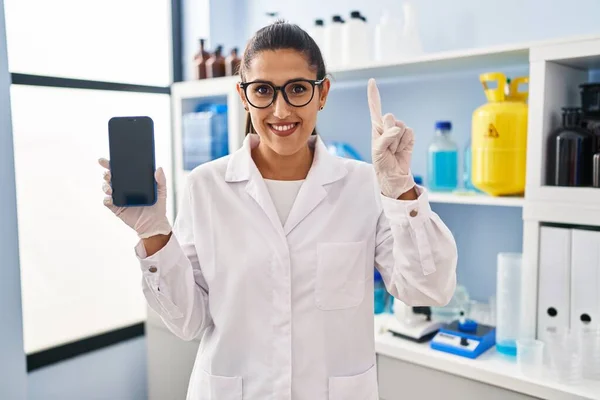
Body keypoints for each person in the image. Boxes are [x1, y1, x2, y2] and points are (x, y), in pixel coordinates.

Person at [99, 21, 457, 400]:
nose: (281, 109)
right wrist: (154, 233)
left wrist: (401, 190)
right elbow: (189, 322)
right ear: (243, 95)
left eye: (298, 89)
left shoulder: (364, 186)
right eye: (263, 91)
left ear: (323, 94)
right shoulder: (206, 186)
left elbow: (428, 288)